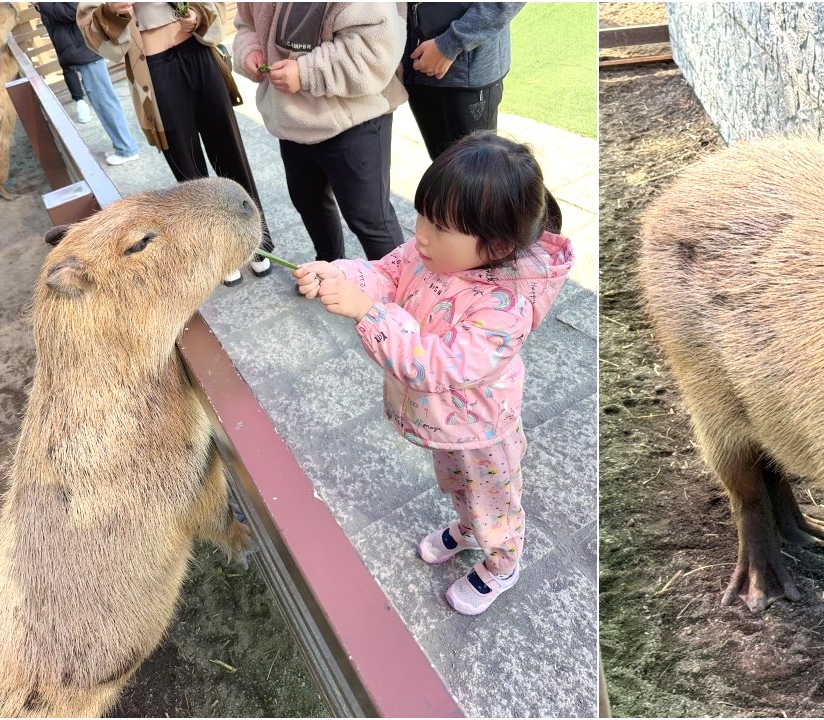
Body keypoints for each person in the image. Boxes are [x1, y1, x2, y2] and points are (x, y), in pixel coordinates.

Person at [293, 134, 572, 614]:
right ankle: (467, 529)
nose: (420, 233)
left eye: (439, 226)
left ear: (498, 244)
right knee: (455, 484)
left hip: (483, 430)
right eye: (423, 214)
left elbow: (438, 365)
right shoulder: (428, 254)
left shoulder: (507, 307)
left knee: (495, 501)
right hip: (443, 423)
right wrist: (342, 277)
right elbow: (386, 273)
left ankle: (503, 563)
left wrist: (371, 315)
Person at [78, 1, 273, 286]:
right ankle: (218, 254)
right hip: (154, 69)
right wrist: (113, 12)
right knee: (188, 167)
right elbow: (91, 26)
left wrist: (197, 16)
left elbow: (214, 6)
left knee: (230, 153)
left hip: (199, 53)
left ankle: (256, 241)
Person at [233, 3, 407, 263]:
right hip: (291, 120)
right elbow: (246, 23)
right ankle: (329, 267)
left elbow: (376, 48)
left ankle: (399, 293)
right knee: (309, 203)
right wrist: (250, 50)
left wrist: (306, 73)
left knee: (370, 219)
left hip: (354, 120)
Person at [402, 2, 524, 160]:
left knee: (477, 173)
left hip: (467, 74)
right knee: (442, 169)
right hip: (416, 65)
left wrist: (450, 43)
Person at [34, 2, 140, 165]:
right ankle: (122, 145)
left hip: (86, 51)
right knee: (102, 101)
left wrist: (42, 4)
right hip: (80, 51)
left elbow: (74, 10)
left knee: (104, 101)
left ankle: (127, 149)